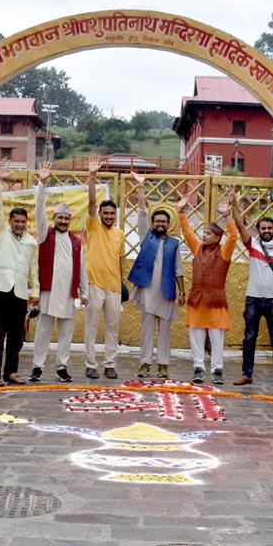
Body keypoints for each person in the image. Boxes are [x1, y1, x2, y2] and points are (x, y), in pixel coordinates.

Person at [27, 163, 86, 384]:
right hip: (48, 292)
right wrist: (42, 184)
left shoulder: (77, 243)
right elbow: (38, 212)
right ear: (54, 219)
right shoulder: (46, 235)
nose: (63, 221)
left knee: (66, 334)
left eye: (66, 218)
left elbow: (82, 269)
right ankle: (37, 367)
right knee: (43, 332)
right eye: (60, 218)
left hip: (68, 294)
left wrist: (85, 292)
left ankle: (62, 367)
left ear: (70, 220)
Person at [0, 160, 38, 387]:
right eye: (16, 221)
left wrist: (35, 292)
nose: (20, 225)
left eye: (23, 222)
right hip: (1, 290)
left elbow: (34, 269)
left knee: (17, 336)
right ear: (10, 221)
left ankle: (11, 372)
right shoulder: (1, 234)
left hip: (20, 294)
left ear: (27, 223)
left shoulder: (31, 242)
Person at [179, 190, 241, 383]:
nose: (203, 235)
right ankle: (198, 368)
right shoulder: (198, 248)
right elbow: (187, 232)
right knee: (196, 336)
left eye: (208, 233)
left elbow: (233, 236)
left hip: (215, 301)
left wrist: (226, 216)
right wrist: (181, 212)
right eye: (204, 233)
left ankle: (217, 370)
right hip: (197, 300)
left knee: (216, 338)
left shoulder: (224, 251)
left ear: (217, 237)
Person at [234, 191, 273, 389]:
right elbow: (240, 225)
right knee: (249, 338)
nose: (266, 230)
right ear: (258, 230)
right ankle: (247, 374)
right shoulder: (253, 246)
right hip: (253, 298)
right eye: (263, 228)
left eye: (269, 227)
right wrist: (233, 204)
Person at [128, 180, 184, 380]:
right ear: (152, 224)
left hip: (167, 292)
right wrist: (141, 187)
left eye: (164, 221)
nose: (160, 224)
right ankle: (144, 364)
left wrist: (182, 291)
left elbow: (178, 269)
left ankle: (163, 365)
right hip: (148, 292)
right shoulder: (146, 236)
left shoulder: (174, 243)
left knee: (165, 332)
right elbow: (142, 213)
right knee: (147, 331)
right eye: (157, 221)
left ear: (169, 224)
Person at [83, 156, 126, 380]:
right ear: (99, 214)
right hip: (94, 284)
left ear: (115, 215)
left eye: (112, 213)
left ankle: (109, 364)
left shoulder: (120, 234)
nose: (108, 216)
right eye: (105, 213)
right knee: (91, 326)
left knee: (112, 328)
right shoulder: (93, 226)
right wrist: (92, 177)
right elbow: (91, 203)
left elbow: (120, 261)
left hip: (114, 288)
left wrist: (121, 283)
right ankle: (91, 364)